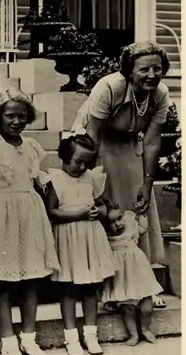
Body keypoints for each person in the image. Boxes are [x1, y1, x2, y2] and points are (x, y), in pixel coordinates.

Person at [71, 41, 170, 310]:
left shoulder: (160, 94)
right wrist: (91, 184)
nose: (152, 75)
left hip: (129, 143)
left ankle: (143, 286)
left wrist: (148, 185)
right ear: (129, 71)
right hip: (94, 144)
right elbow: (92, 136)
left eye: (157, 69)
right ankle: (110, 289)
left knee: (137, 208)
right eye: (144, 69)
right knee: (108, 207)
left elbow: (151, 141)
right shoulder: (110, 87)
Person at [0, 88, 60, 355]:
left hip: (30, 214)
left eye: (22, 117)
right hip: (2, 214)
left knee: (31, 278)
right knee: (4, 281)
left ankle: (29, 338)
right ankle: (8, 342)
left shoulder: (33, 147)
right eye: (10, 116)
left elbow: (39, 182)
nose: (16, 121)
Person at [45, 134, 117, 355]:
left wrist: (99, 211)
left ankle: (90, 334)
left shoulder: (90, 178)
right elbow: (52, 212)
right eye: (78, 161)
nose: (83, 166)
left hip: (90, 237)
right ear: (65, 158)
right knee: (68, 288)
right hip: (69, 237)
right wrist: (80, 213)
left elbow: (102, 206)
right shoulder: (56, 179)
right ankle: (71, 337)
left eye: (88, 162)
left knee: (90, 287)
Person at [101, 201, 164, 346]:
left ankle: (145, 328)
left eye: (120, 218)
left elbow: (143, 228)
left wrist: (142, 214)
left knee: (147, 308)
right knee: (127, 309)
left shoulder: (131, 228)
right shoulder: (106, 239)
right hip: (123, 281)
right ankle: (134, 334)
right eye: (112, 222)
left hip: (140, 276)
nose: (118, 224)